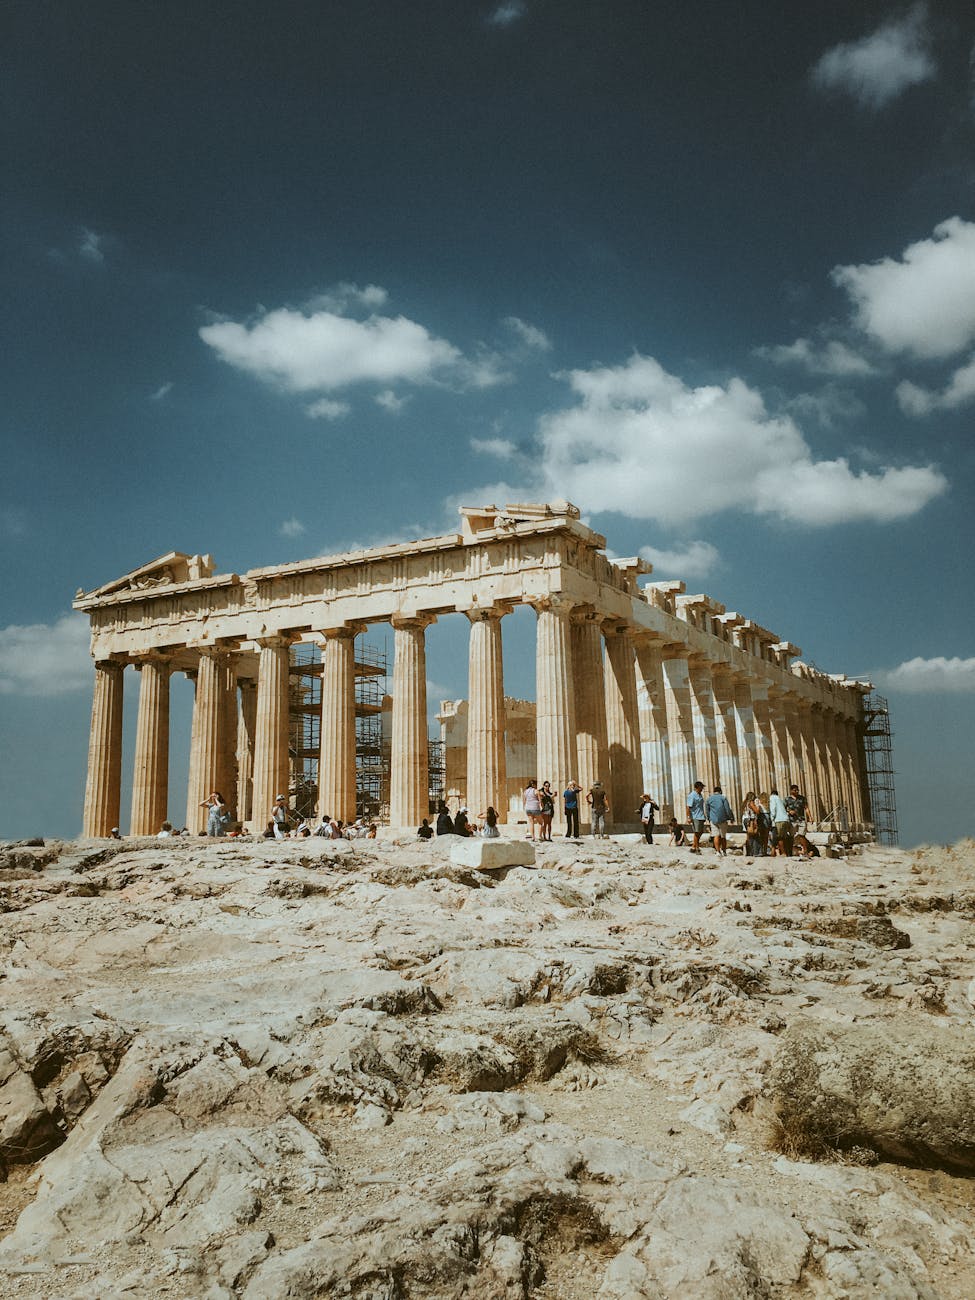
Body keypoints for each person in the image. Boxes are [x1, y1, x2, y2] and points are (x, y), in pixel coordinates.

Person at [705, 785, 733, 856]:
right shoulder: (723, 798)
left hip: (713, 819)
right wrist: (730, 817)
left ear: (714, 792)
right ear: (720, 791)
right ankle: (724, 851)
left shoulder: (709, 799)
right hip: (723, 819)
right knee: (723, 836)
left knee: (716, 835)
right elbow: (727, 809)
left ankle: (718, 851)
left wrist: (709, 818)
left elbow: (707, 810)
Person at [768, 788, 792, 857]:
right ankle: (787, 853)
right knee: (784, 837)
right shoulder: (780, 799)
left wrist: (771, 818)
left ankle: (783, 853)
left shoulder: (772, 798)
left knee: (779, 837)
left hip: (779, 820)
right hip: (785, 819)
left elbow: (773, 809)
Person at [686, 781, 707, 854]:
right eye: (701, 787)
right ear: (697, 787)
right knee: (697, 832)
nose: (702, 789)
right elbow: (688, 807)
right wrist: (688, 817)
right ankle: (697, 848)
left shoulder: (700, 795)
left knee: (701, 831)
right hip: (695, 816)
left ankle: (693, 846)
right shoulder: (692, 795)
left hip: (701, 816)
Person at [741, 792, 763, 857]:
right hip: (751, 820)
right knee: (755, 836)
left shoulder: (745, 803)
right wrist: (758, 806)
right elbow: (757, 811)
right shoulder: (751, 803)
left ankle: (749, 852)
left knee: (749, 836)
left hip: (745, 819)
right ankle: (756, 852)